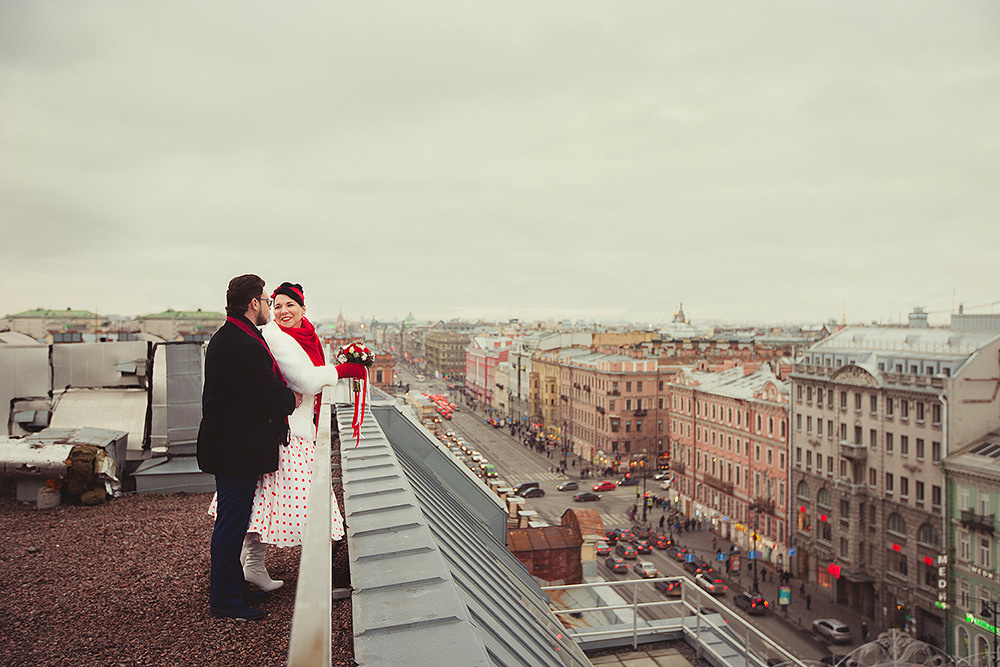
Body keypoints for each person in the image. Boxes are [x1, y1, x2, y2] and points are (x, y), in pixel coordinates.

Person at [197, 274, 298, 621]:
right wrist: (291, 397)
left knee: (234, 524)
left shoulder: (233, 336)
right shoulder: (242, 343)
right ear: (254, 303)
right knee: (230, 526)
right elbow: (270, 394)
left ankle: (234, 591)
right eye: (268, 301)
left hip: (232, 446)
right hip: (234, 450)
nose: (271, 307)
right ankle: (225, 602)